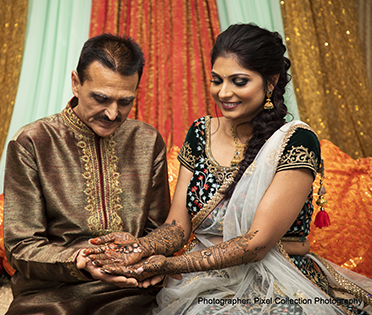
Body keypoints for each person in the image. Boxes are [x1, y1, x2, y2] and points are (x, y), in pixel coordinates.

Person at [83, 24, 372, 314]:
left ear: (270, 83)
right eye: (217, 80)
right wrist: (139, 248)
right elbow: (177, 227)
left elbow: (256, 243)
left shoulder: (295, 141)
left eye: (239, 81)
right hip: (202, 281)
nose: (224, 92)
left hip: (277, 279)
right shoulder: (200, 132)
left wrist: (169, 264)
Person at [3, 33, 171, 314]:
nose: (113, 113)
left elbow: (159, 233)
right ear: (76, 83)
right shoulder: (33, 142)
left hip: (132, 288)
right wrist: (80, 262)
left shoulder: (147, 141)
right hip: (53, 293)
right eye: (101, 98)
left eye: (125, 101)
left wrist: (147, 261)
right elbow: (22, 246)